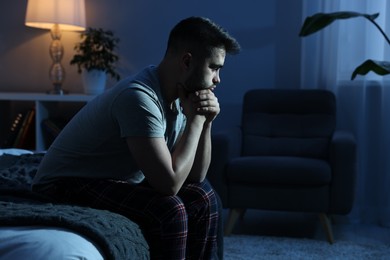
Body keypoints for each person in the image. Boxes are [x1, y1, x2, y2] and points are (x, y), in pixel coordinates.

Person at [32, 16, 240, 259]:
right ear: (187, 61)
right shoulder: (139, 97)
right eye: (214, 68)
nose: (217, 79)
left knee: (204, 196)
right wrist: (195, 119)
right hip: (63, 183)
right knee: (169, 210)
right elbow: (169, 185)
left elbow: (196, 176)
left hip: (110, 179)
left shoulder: (180, 94)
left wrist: (205, 122)